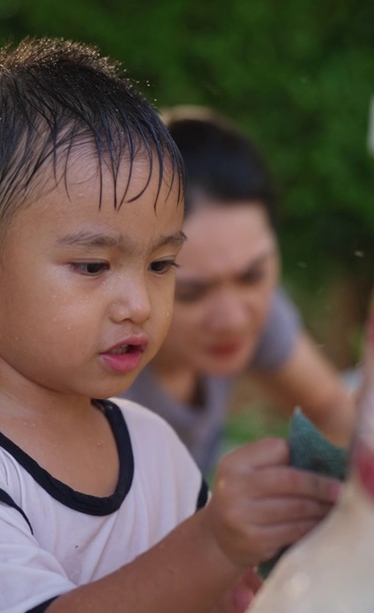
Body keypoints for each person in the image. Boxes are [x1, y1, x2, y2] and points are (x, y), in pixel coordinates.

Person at [0, 38, 341, 613]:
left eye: (162, 264)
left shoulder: (157, 451)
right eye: (92, 266)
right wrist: (214, 541)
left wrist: (233, 606)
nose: (138, 303)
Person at [123, 106, 358, 474]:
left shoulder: (249, 307)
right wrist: (214, 530)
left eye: (253, 275)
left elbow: (332, 408)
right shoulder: (98, 382)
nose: (232, 318)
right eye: (191, 293)